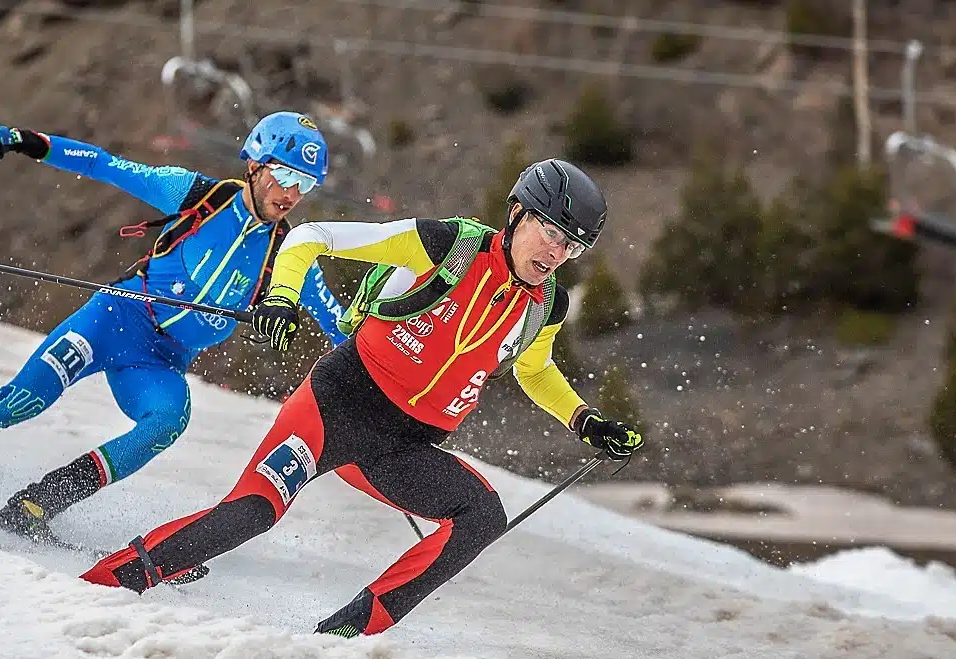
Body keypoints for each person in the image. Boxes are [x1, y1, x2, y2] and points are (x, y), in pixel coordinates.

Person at [79, 158, 644, 634]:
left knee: (481, 516)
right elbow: (309, 238)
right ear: (517, 213)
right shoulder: (448, 246)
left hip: (401, 447)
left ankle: (342, 636)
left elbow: (535, 368)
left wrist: (583, 418)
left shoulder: (546, 304)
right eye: (550, 232)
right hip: (336, 405)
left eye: (571, 245)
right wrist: (280, 295)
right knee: (252, 513)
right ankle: (106, 584)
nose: (556, 252)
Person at [0, 111, 348, 552]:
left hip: (160, 361)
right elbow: (105, 165)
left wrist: (380, 372)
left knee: (168, 419)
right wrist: (22, 142)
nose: (292, 194)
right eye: (285, 177)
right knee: (20, 402)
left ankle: (37, 505)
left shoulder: (289, 254)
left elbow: (337, 322)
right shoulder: (199, 196)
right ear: (256, 166)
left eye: (305, 186)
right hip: (114, 320)